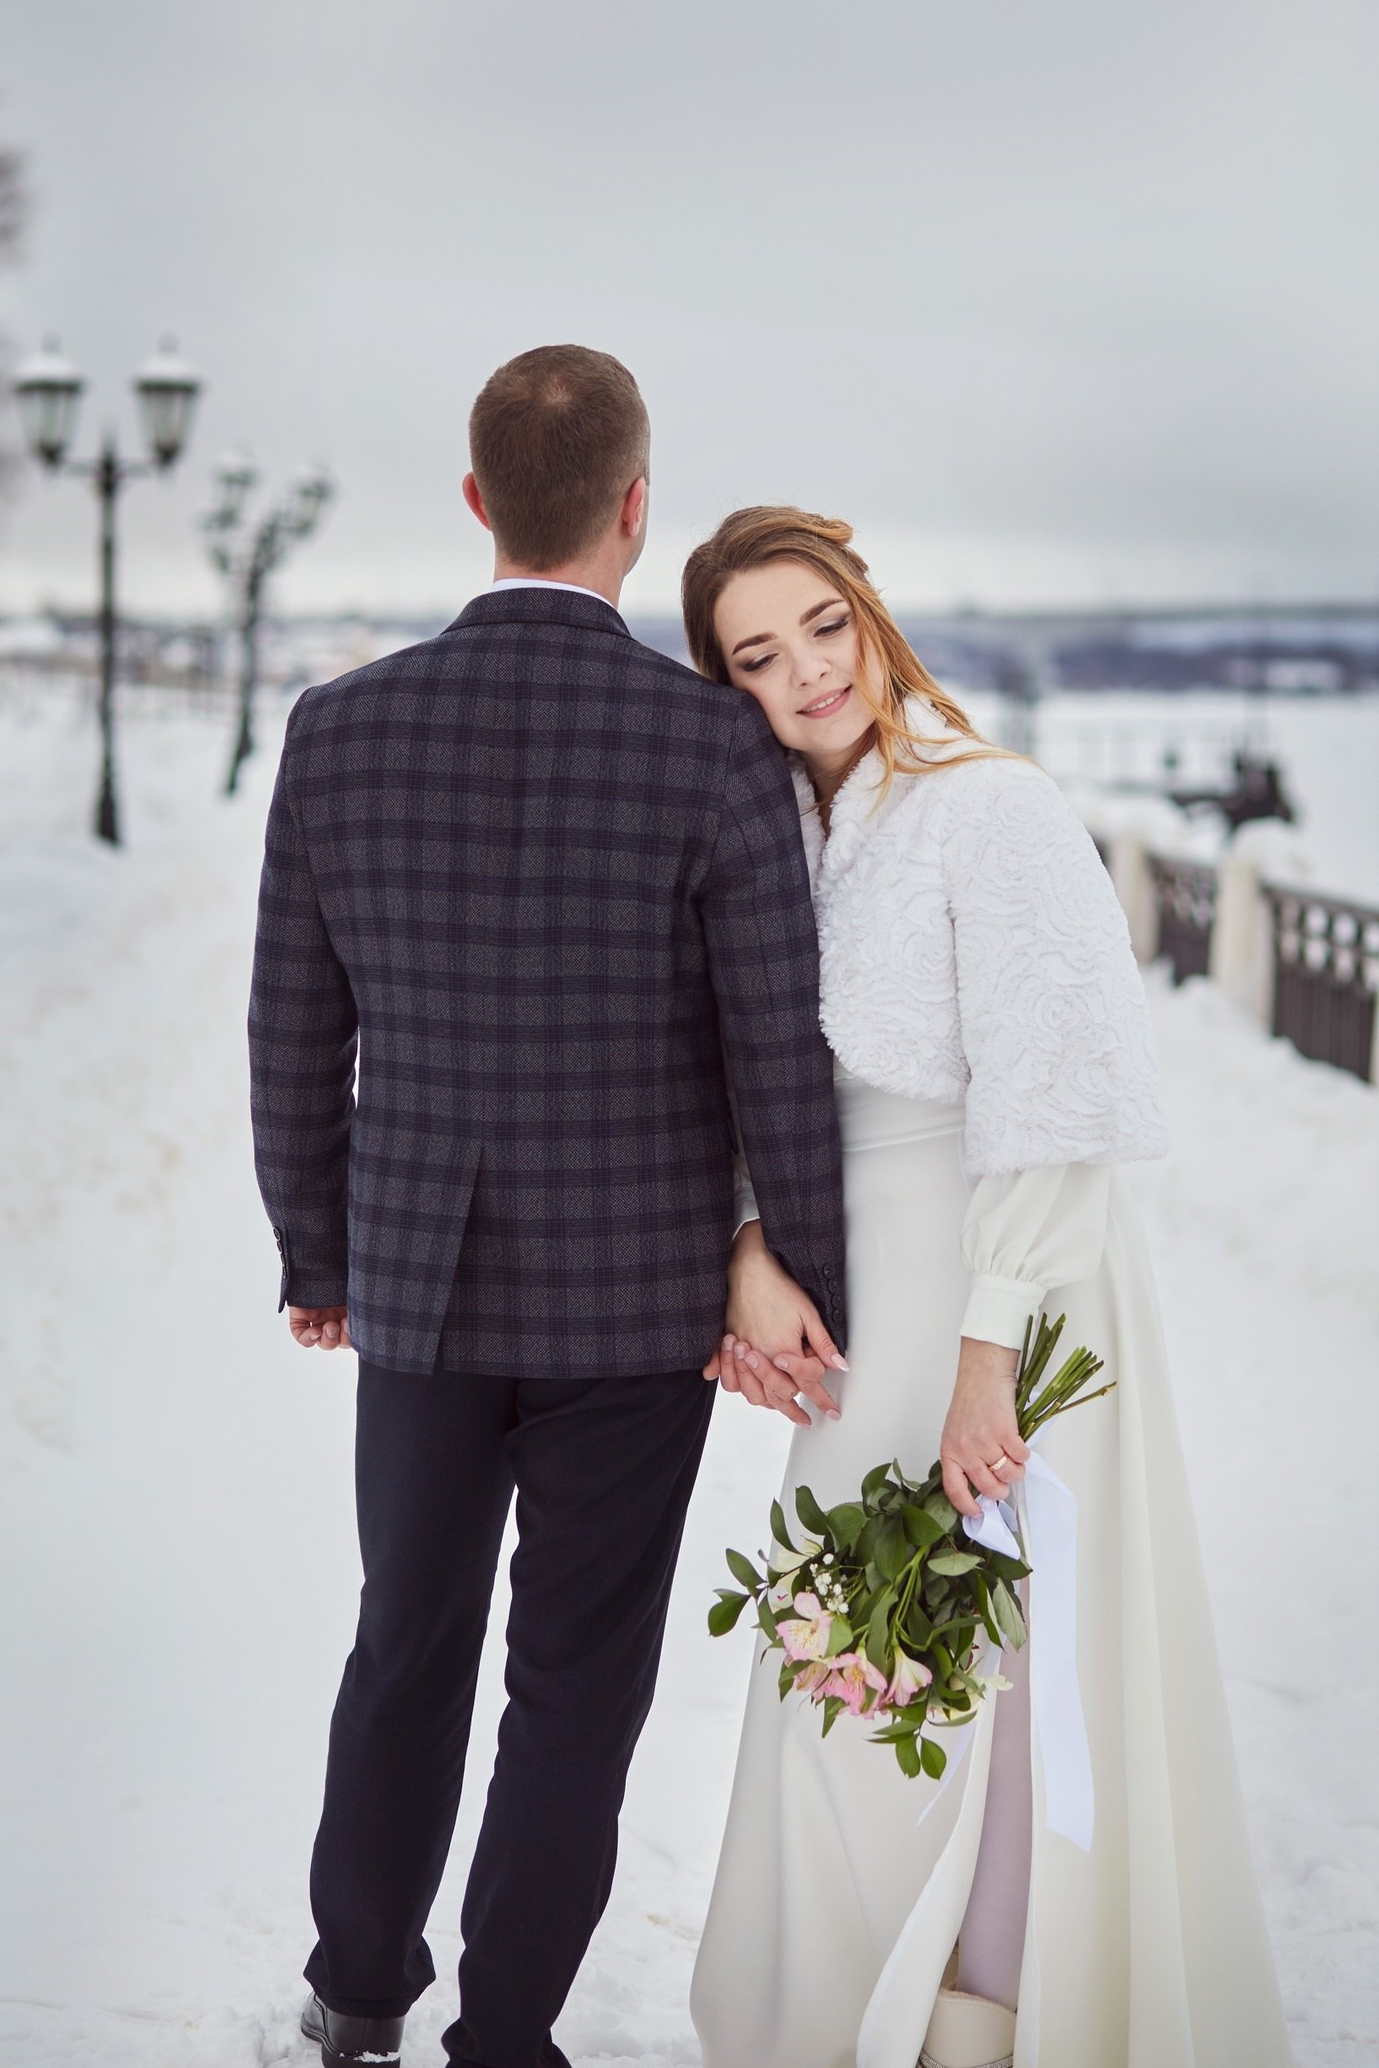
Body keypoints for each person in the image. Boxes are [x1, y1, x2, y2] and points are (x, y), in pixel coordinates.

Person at [247, 356, 848, 2068]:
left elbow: (296, 1030)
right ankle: (505, 2034)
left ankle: (357, 1984)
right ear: (637, 510)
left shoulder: (338, 728)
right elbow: (776, 1053)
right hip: (636, 1302)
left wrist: (319, 1250)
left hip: (423, 1291)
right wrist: (810, 1271)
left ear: (476, 505)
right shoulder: (712, 743)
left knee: (405, 1642)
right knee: (574, 1687)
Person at [683, 508, 1293, 2068]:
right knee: (851, 1664)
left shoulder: (993, 807)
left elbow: (1058, 1093)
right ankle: (818, 2017)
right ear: (726, 685)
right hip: (862, 1308)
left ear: (868, 613)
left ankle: (994, 2021)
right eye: (757, 656)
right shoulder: (789, 839)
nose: (806, 671)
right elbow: (757, 1080)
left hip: (1003, 1296)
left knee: (1013, 1671)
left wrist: (990, 1351)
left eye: (822, 625)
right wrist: (748, 1247)